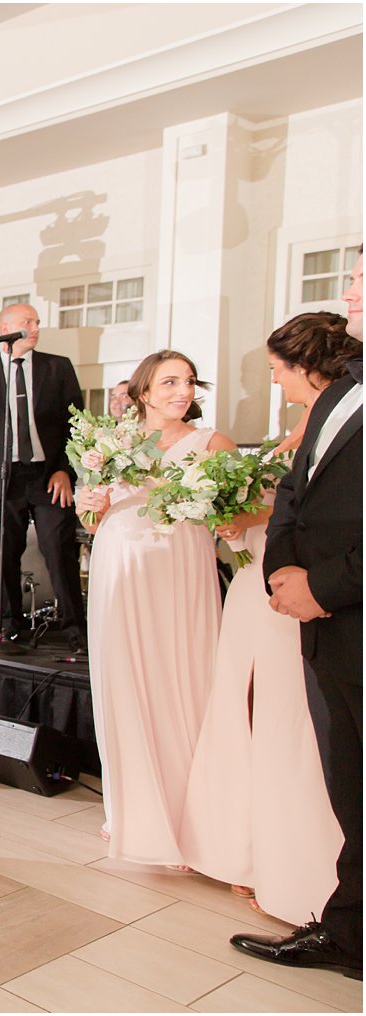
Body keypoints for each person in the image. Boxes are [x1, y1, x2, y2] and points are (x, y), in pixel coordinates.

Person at [182, 313, 356, 922]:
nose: (275, 383)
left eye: (279, 371)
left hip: (316, 594)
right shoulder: (314, 417)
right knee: (268, 717)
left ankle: (302, 874)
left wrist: (253, 523)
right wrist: (261, 549)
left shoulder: (336, 414)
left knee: (302, 732)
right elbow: (283, 502)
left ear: (304, 367)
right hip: (270, 587)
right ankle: (259, 853)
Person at [233, 258, 363, 981]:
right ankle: (351, 935)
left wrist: (329, 585)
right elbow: (296, 492)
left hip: (351, 607)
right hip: (325, 622)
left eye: (362, 279)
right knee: (352, 785)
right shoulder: (345, 387)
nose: (348, 294)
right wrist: (283, 569)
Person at [76, 350, 235, 866]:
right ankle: (133, 808)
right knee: (124, 678)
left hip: (178, 567)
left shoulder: (211, 443)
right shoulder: (115, 441)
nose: (182, 392)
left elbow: (234, 510)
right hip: (119, 563)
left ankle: (192, 817)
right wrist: (92, 503)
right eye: (169, 382)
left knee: (183, 677)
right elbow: (91, 513)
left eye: (188, 382)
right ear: (143, 391)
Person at [0, 303, 85, 642]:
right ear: (6, 328)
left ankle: (76, 629)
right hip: (2, 477)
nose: (36, 326)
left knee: (58, 550)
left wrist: (65, 470)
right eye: (28, 321)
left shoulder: (58, 368)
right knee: (4, 552)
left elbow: (78, 426)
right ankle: (9, 624)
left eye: (37, 321)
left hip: (48, 476)